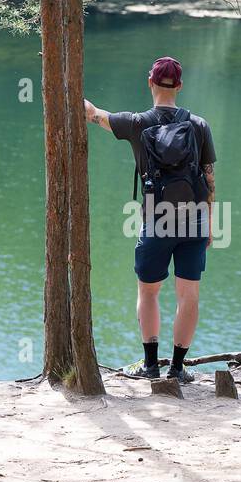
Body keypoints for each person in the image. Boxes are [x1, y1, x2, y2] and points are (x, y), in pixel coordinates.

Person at [84, 56, 216, 382]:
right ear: (180, 86)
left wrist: (68, 90)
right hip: (194, 221)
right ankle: (178, 368)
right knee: (189, 296)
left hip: (157, 221)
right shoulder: (199, 126)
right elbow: (209, 178)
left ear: (151, 83)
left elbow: (92, 114)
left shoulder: (136, 123)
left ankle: (151, 365)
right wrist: (210, 222)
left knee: (148, 292)